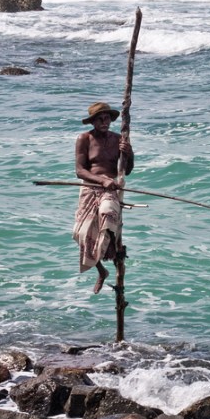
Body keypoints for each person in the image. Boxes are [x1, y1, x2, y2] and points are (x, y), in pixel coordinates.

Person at [73, 102, 134, 293]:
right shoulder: (84, 139)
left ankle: (112, 250)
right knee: (81, 233)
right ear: (92, 121)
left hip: (110, 188)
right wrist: (100, 180)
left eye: (106, 118)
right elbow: (79, 170)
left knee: (107, 213)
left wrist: (129, 152)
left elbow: (128, 170)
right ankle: (101, 270)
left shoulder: (118, 139)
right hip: (90, 187)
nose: (104, 121)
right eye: (99, 118)